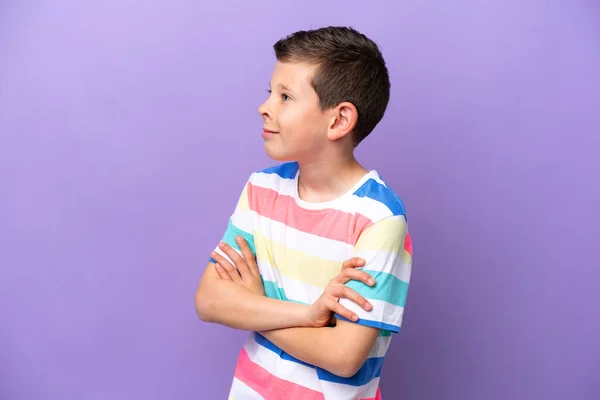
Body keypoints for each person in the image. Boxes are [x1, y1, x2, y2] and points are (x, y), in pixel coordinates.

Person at [195, 26, 413, 400]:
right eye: (270, 93)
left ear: (338, 121)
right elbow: (210, 301)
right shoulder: (261, 189)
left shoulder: (379, 219)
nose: (264, 107)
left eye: (285, 97)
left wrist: (256, 305)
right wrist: (309, 315)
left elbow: (343, 357)